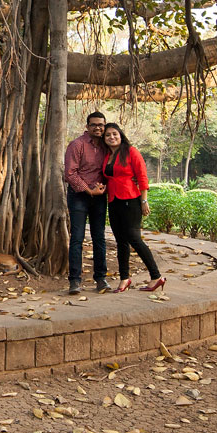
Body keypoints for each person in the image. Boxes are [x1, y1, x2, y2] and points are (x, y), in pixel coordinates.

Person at [100, 122, 164, 293]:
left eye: (114, 134)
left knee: (134, 238)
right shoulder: (107, 155)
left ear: (120, 135)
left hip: (131, 200)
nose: (111, 137)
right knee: (121, 242)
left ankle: (156, 276)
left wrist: (144, 201)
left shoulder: (131, 152)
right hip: (113, 201)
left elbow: (142, 177)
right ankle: (124, 279)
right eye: (108, 135)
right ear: (104, 139)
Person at [64, 110, 110, 295]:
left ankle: (101, 278)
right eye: (94, 124)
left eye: (101, 125)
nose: (98, 127)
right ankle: (74, 281)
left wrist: (100, 189)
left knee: (99, 238)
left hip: (99, 197)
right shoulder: (77, 145)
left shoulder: (108, 145)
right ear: (87, 126)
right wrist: (88, 189)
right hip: (79, 196)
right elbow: (70, 173)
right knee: (77, 238)